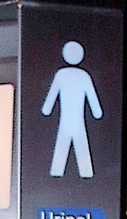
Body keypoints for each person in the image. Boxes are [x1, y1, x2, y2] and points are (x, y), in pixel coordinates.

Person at [42, 40, 103, 178]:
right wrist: (97, 112)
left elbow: (51, 96)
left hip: (66, 121)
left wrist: (47, 109)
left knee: (63, 145)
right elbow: (93, 98)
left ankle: (58, 172)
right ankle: (85, 173)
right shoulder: (84, 76)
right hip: (77, 121)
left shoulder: (61, 75)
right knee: (80, 145)